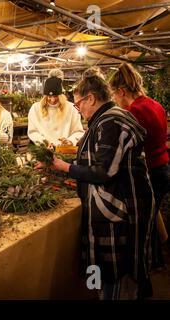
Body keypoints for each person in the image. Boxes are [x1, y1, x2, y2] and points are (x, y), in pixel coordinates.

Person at [37, 68, 155, 300]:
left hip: (120, 206)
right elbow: (94, 159)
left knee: (117, 271)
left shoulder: (110, 121)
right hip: (117, 203)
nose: (78, 109)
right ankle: (105, 292)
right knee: (108, 269)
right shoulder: (105, 119)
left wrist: (65, 167)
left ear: (90, 98)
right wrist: (58, 165)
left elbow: (104, 171)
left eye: (79, 103)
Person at [110, 62, 169, 269]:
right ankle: (157, 260)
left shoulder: (135, 111)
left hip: (151, 171)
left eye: (114, 96)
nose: (115, 101)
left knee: (145, 221)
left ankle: (151, 262)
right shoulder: (154, 104)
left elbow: (128, 146)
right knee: (152, 217)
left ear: (121, 91)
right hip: (163, 166)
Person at [28, 69, 84, 146]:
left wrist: (70, 141)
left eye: (55, 96)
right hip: (43, 150)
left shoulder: (71, 108)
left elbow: (78, 131)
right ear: (45, 95)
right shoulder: (36, 108)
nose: (52, 100)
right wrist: (43, 142)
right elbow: (32, 131)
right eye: (49, 96)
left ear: (61, 95)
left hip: (64, 150)